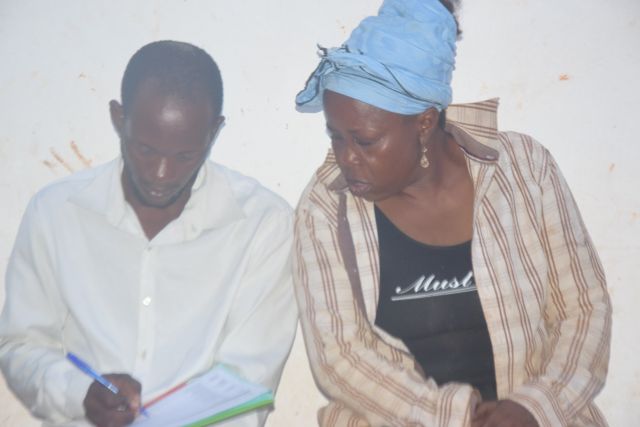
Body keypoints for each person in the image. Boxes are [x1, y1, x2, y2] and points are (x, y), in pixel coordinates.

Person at [292, 1, 611, 426]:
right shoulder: (326, 208)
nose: (346, 158)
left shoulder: (523, 168)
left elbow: (585, 307)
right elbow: (339, 355)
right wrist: (456, 416)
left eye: (364, 141)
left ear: (424, 123)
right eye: (335, 137)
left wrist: (534, 408)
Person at [0, 40, 297, 427]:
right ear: (118, 118)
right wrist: (79, 393)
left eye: (185, 156)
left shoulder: (262, 224)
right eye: (144, 150)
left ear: (214, 131)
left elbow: (248, 381)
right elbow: (22, 346)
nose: (161, 175)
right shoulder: (56, 213)